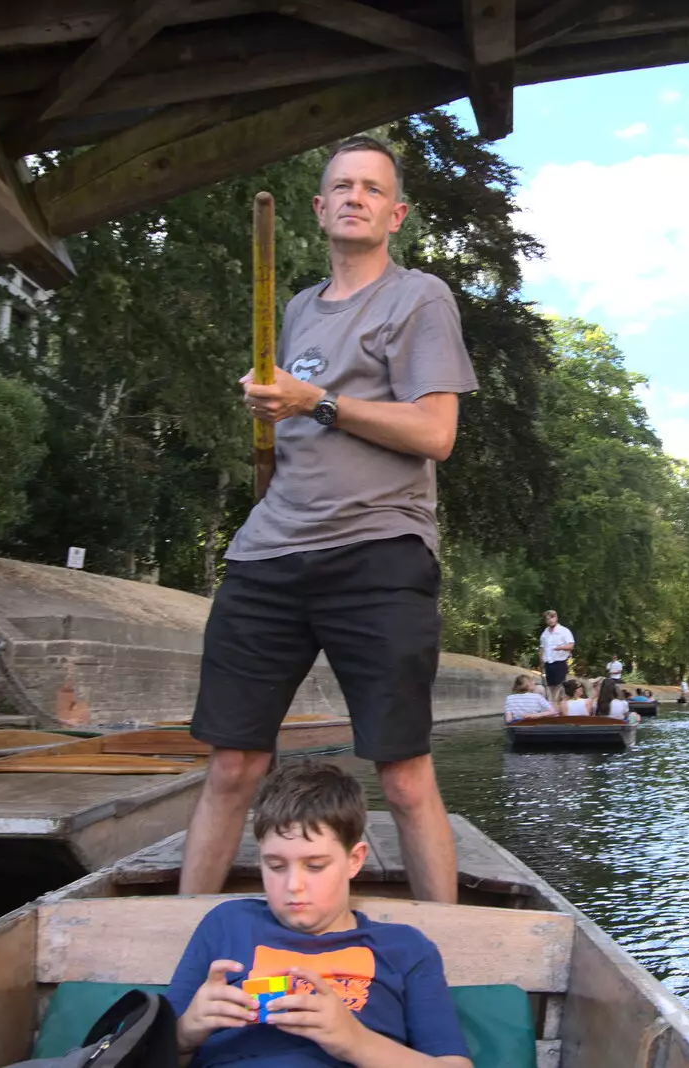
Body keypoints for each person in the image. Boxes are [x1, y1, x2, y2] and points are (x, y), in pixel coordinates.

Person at [181, 136, 478, 903]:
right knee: (232, 764)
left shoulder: (420, 298)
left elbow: (435, 434)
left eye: (372, 189)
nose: (355, 197)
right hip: (270, 553)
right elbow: (291, 430)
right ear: (319, 209)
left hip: (379, 551)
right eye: (342, 186)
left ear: (396, 213)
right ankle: (183, 937)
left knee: (404, 773)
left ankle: (447, 956)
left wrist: (314, 400)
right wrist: (272, 405)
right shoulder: (298, 309)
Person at [168, 761, 473, 1068]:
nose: (293, 886)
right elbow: (141, 1049)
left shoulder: (404, 949)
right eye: (275, 866)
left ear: (354, 860)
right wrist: (184, 1034)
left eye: (314, 866)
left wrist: (356, 1042)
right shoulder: (227, 925)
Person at [539, 611, 575, 701]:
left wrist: (561, 648)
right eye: (548, 619)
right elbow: (542, 648)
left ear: (556, 617)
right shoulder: (545, 633)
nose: (550, 620)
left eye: (552, 617)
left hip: (559, 662)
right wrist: (541, 663)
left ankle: (561, 705)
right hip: (548, 663)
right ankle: (553, 705)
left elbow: (571, 645)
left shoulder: (564, 631)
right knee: (550, 686)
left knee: (560, 686)